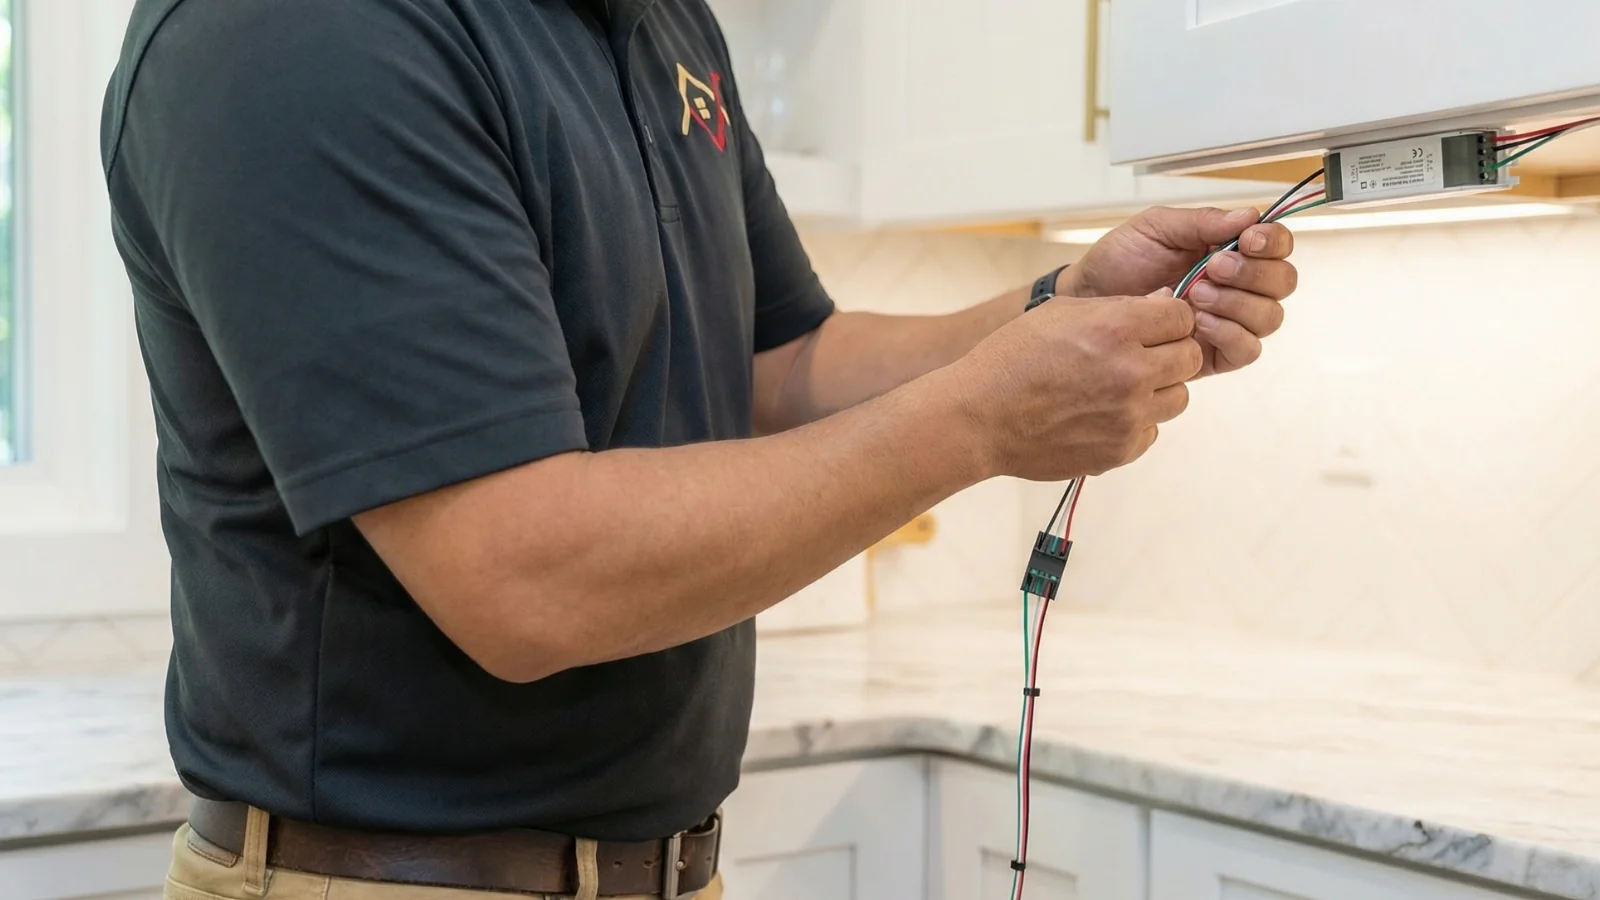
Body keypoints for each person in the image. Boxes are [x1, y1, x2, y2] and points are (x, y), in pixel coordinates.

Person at [101, 0, 1298, 897]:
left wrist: (1050, 304)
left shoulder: (659, 20)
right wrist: (983, 417)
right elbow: (520, 577)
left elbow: (779, 363)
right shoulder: (304, 33)